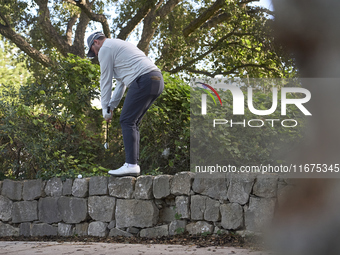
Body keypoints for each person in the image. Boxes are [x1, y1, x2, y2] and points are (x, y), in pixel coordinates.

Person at [86, 31, 164, 177]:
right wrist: (111, 107)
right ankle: (133, 164)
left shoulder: (105, 49)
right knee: (132, 122)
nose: (95, 55)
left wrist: (104, 108)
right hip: (157, 80)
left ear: (96, 42)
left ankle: (131, 164)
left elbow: (105, 81)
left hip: (143, 79)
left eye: (93, 52)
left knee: (127, 120)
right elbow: (121, 84)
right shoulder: (118, 46)